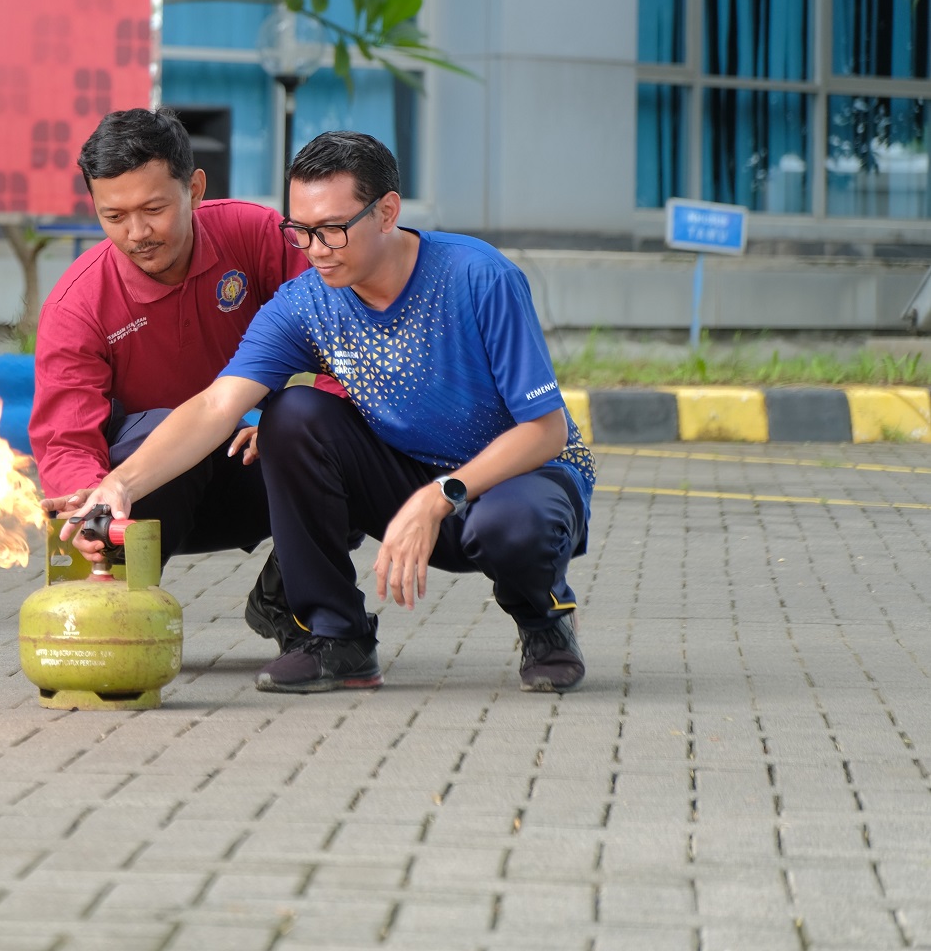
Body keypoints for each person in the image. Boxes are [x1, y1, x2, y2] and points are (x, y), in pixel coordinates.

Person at [66, 131, 596, 695]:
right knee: (292, 413)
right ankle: (336, 637)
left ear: (387, 211)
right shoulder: (306, 303)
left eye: (333, 229)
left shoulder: (478, 277)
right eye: (302, 232)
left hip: (522, 478)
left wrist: (439, 495)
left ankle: (545, 623)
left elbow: (545, 430)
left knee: (513, 527)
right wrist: (118, 484)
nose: (316, 249)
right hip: (406, 478)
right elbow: (218, 405)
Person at [32, 108, 315, 650]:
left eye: (154, 209)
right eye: (113, 216)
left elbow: (340, 336)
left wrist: (297, 417)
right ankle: (117, 622)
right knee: (142, 448)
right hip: (143, 494)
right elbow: (66, 441)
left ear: (195, 188)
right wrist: (87, 503)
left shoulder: (254, 235)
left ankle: (292, 603)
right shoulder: (77, 306)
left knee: (331, 437)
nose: (137, 233)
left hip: (247, 467)